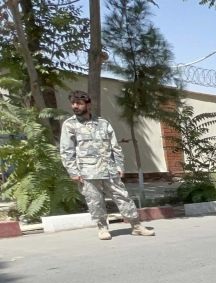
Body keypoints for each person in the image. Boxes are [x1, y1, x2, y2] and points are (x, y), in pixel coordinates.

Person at [59, 90, 155, 240]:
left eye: (79, 103)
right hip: (87, 171)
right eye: (73, 103)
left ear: (88, 104)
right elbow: (66, 150)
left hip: (109, 170)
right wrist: (73, 171)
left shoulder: (103, 123)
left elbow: (115, 146)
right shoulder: (70, 125)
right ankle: (102, 228)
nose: (75, 106)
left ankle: (136, 226)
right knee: (95, 201)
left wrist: (119, 166)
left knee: (123, 197)